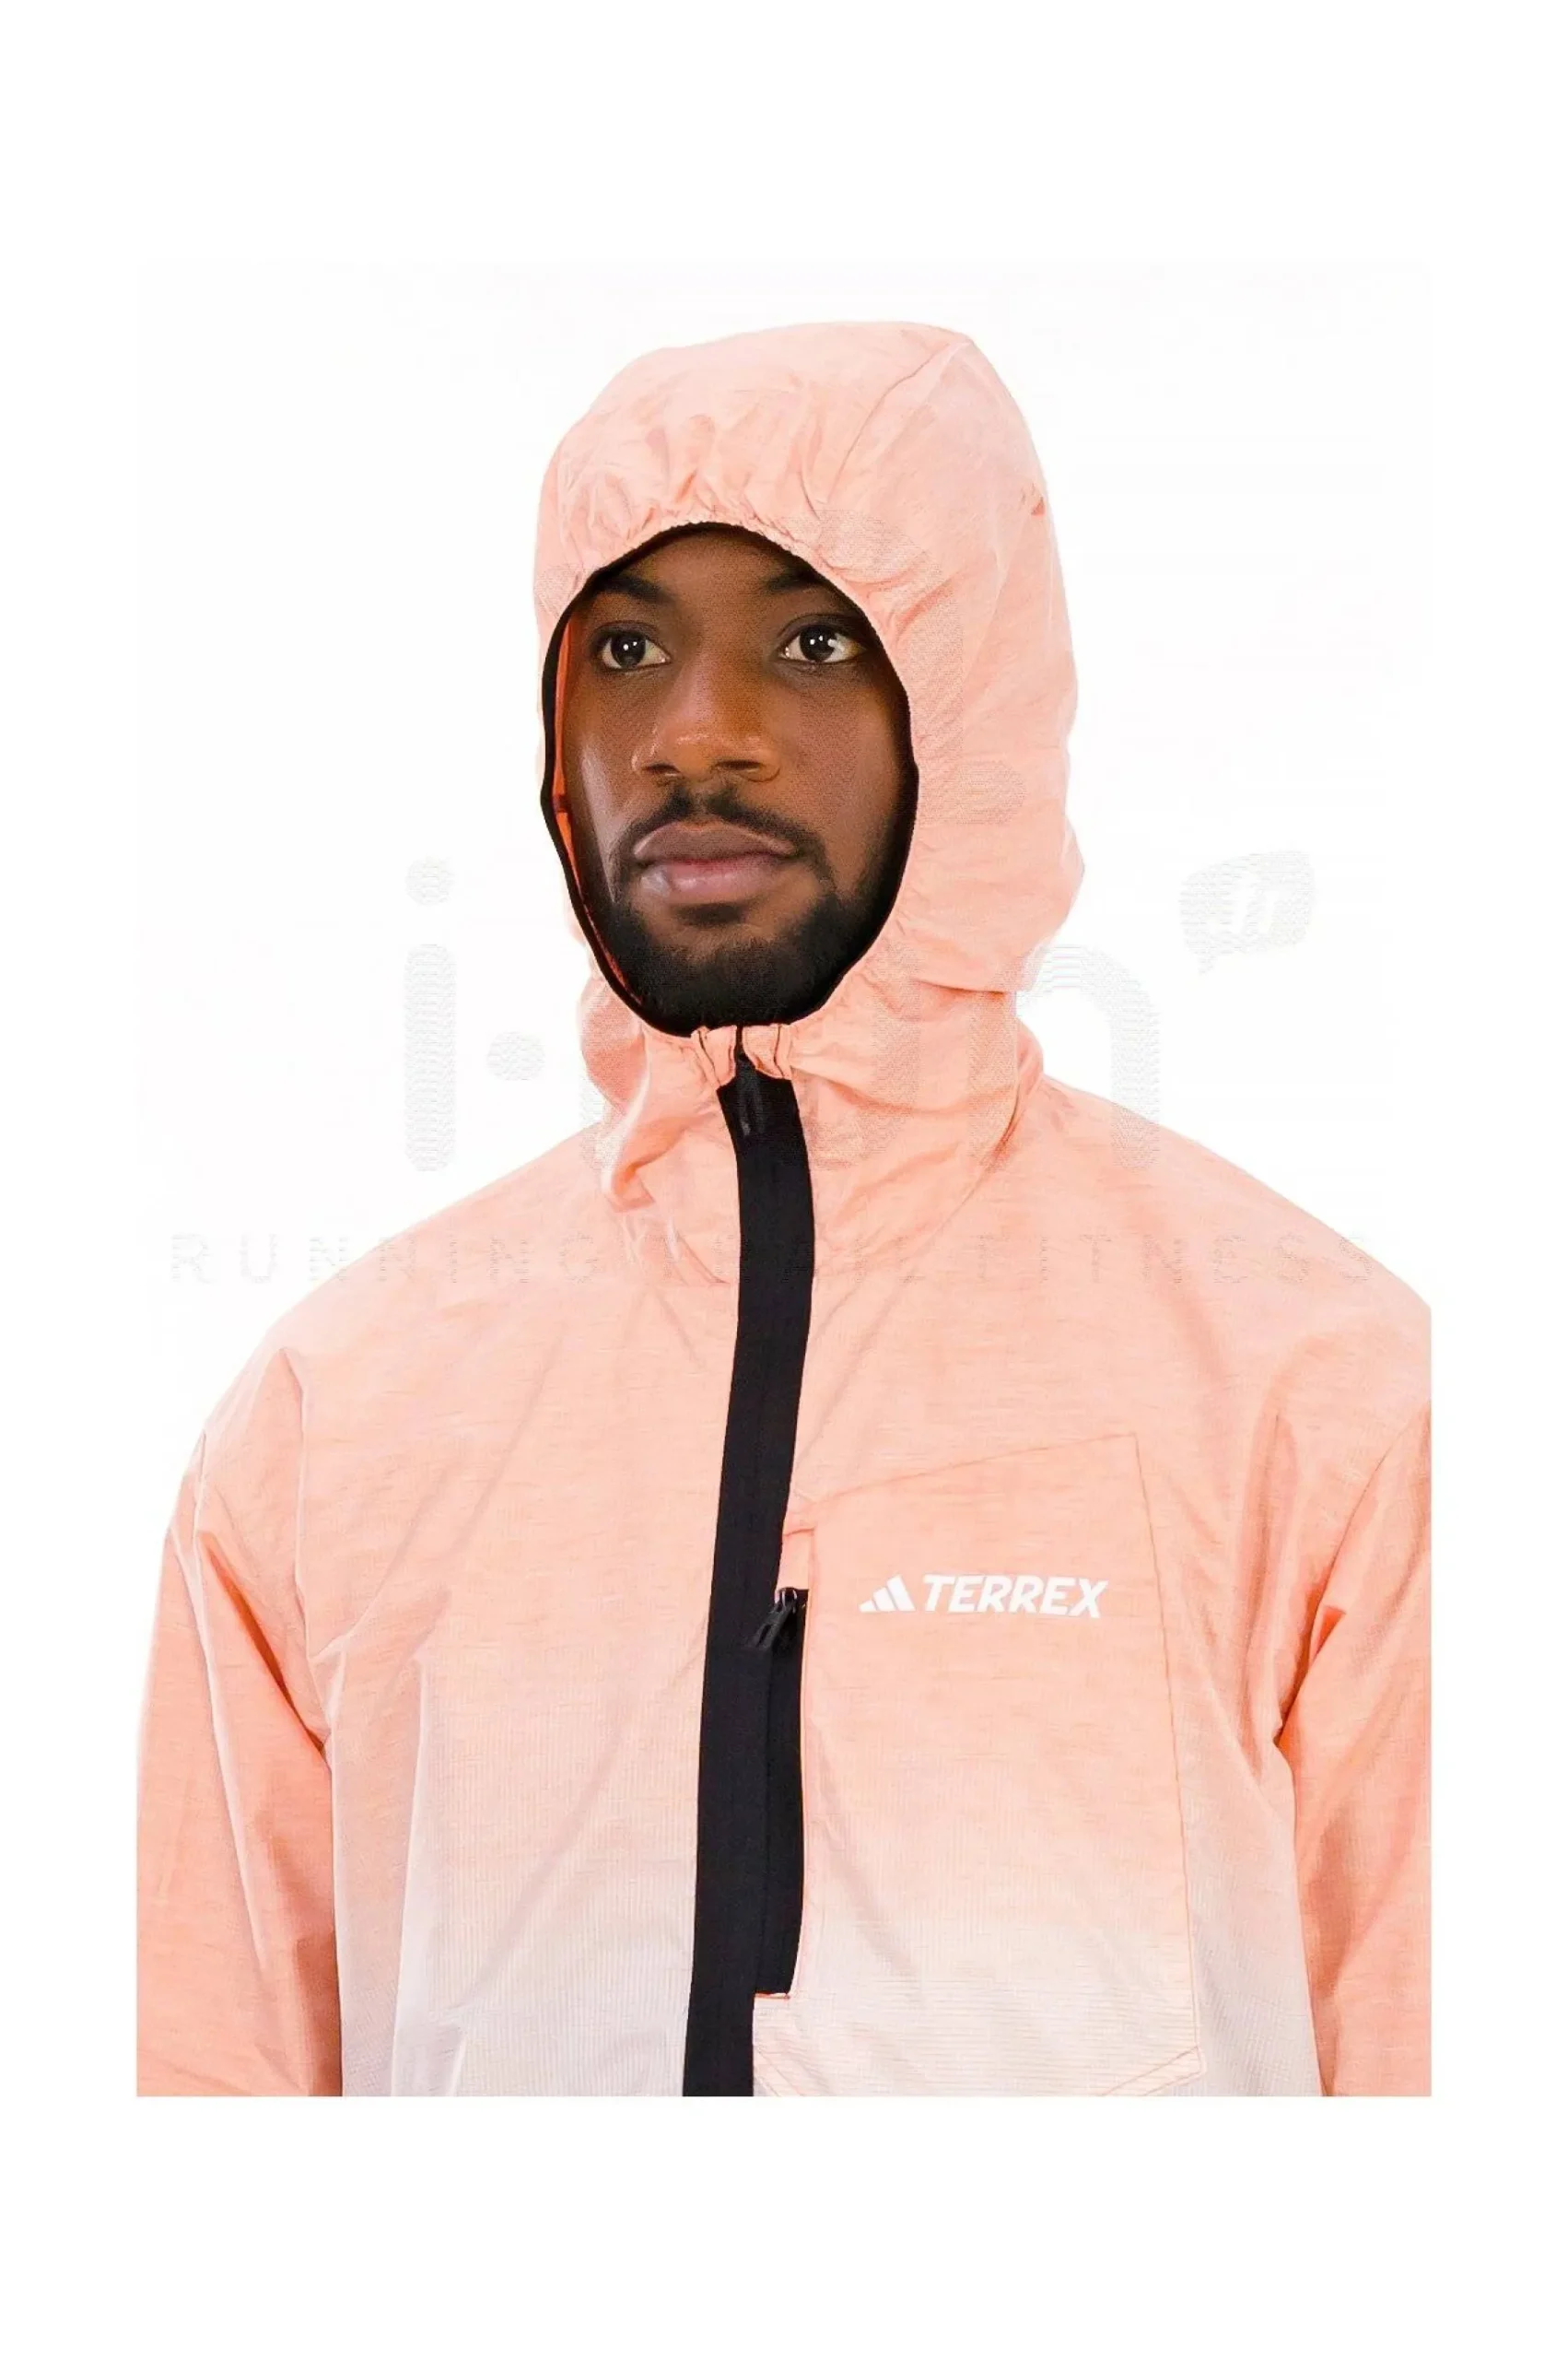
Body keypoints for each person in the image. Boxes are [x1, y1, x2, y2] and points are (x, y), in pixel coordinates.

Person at [136, 320, 1430, 2097]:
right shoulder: (335, 1414)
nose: (698, 734)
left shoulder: (1309, 1386)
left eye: (813, 641)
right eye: (626, 647)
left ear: (968, 713)